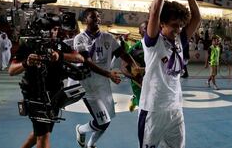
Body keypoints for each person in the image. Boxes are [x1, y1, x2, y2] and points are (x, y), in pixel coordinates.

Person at [138, 0, 201, 148]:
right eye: (174, 25)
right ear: (162, 24)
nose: (179, 29)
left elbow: (196, 18)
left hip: (175, 109)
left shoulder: (179, 41)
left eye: (181, 26)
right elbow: (155, 12)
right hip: (152, 110)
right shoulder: (153, 42)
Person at [8, 17, 84, 148]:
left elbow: (80, 58)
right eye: (50, 29)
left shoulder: (58, 45)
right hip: (35, 95)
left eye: (55, 29)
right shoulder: (29, 46)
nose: (53, 32)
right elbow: (12, 70)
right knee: (43, 137)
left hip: (55, 94)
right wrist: (26, 63)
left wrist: (59, 55)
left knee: (41, 132)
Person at [74, 8, 137, 148]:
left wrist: (134, 65)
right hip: (87, 86)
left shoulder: (108, 37)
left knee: (106, 121)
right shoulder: (80, 39)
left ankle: (91, 144)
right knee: (103, 121)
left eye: (98, 16)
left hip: (103, 85)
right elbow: (87, 62)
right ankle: (80, 129)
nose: (97, 19)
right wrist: (109, 74)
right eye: (93, 16)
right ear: (85, 20)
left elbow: (122, 53)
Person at [127, 21, 147, 112]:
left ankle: (134, 100)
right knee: (143, 106)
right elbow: (124, 65)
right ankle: (135, 100)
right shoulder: (135, 49)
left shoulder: (159, 46)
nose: (148, 31)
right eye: (145, 29)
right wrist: (135, 77)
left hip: (153, 80)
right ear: (140, 32)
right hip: (138, 81)